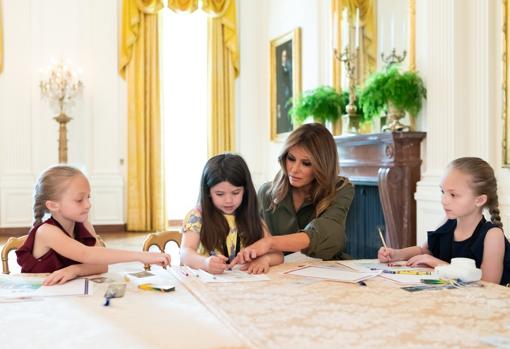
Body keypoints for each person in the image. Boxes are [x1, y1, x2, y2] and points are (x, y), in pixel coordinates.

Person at [16, 165, 171, 285]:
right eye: (79, 200)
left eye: (88, 197)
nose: (88, 204)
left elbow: (101, 265)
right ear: (53, 205)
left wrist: (75, 270)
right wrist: (141, 256)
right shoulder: (47, 231)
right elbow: (87, 255)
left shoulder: (82, 224)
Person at [233, 123, 354, 263]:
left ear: (323, 165)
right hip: (279, 273)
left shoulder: (341, 189)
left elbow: (326, 232)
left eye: (306, 163)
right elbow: (254, 241)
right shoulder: (266, 193)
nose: (294, 169)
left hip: (329, 271)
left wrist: (270, 243)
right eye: (291, 158)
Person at [378, 157, 510, 285]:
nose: (444, 200)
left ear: (479, 200)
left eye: (453, 195)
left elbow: (488, 284)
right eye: (443, 191)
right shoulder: (449, 221)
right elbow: (424, 251)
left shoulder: (493, 235)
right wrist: (396, 254)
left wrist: (438, 264)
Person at [180, 153, 283, 274]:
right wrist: (205, 263)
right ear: (208, 192)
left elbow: (278, 254)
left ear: (245, 190)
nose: (228, 200)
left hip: (245, 286)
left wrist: (265, 259)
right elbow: (185, 253)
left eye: (235, 192)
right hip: (208, 286)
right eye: (220, 194)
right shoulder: (197, 216)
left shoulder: (252, 217)